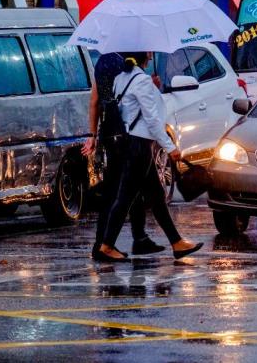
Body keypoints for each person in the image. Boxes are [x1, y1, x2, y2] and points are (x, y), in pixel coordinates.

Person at [95, 52, 203, 262]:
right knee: (125, 198)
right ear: (143, 56)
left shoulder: (122, 78)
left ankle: (177, 242)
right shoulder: (141, 80)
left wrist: (151, 86)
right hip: (139, 146)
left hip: (131, 143)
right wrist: (170, 147)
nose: (152, 55)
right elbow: (152, 119)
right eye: (149, 52)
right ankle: (106, 245)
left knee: (156, 196)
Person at [83, 52, 164, 260]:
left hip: (108, 132)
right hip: (126, 133)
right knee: (124, 190)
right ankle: (108, 245)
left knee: (127, 188)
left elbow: (94, 101)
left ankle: (136, 238)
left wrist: (92, 134)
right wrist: (151, 86)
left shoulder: (102, 62)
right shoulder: (125, 66)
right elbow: (133, 102)